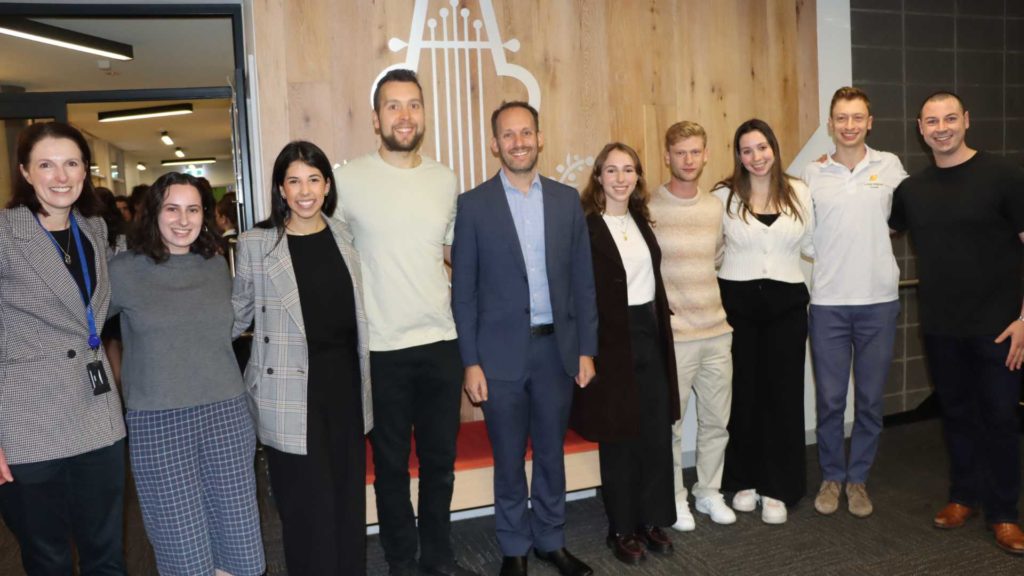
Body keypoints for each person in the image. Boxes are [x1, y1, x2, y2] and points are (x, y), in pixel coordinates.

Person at [334, 69, 474, 576]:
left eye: (413, 104)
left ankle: (438, 555)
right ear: (376, 119)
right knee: (391, 468)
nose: (404, 115)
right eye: (393, 106)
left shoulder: (444, 179)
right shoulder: (346, 181)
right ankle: (401, 559)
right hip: (380, 348)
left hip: (441, 343)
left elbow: (456, 255)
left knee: (440, 465)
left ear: (423, 114)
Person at [451, 101, 598, 576]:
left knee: (551, 453)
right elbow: (464, 293)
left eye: (527, 133)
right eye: (509, 135)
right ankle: (514, 548)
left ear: (539, 137)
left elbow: (583, 281)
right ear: (495, 144)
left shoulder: (564, 199)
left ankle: (551, 541)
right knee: (510, 456)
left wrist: (586, 350)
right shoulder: (473, 205)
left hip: (556, 352)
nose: (519, 142)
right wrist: (470, 362)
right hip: (499, 358)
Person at [108, 172, 265, 576]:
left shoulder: (214, 264)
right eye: (171, 209)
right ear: (153, 214)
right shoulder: (123, 271)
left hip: (227, 416)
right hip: (159, 423)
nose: (183, 219)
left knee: (241, 549)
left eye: (193, 209)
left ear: (205, 214)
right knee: (184, 552)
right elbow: (76, 328)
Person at [888, 91, 1024, 555]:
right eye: (931, 121)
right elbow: (876, 226)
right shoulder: (911, 191)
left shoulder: (1005, 175)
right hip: (941, 325)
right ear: (919, 128)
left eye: (950, 118)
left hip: (1002, 327)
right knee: (958, 416)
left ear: (966, 120)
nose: (941, 127)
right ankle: (964, 496)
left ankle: (1005, 513)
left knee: (1002, 418)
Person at [232, 141, 374, 574]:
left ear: (327, 185)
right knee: (304, 506)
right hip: (288, 390)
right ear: (281, 189)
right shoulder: (257, 243)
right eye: (294, 180)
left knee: (347, 499)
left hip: (345, 385)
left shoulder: (344, 236)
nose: (305, 190)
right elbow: (236, 317)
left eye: (313, 179)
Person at [0, 121, 127, 574]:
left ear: (85, 171)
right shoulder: (4, 233)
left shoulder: (92, 229)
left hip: (98, 418)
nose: (60, 176)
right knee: (48, 558)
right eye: (46, 165)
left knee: (106, 554)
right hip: (28, 428)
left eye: (71, 163)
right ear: (25, 173)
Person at [571, 142, 680, 565]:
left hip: (649, 335)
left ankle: (652, 519)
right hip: (609, 341)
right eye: (611, 170)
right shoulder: (587, 226)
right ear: (598, 176)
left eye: (628, 169)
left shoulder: (641, 220)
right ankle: (620, 527)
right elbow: (579, 293)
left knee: (654, 431)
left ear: (638, 177)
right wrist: (586, 351)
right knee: (619, 438)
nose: (621, 178)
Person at [802, 87, 907, 519]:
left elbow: (900, 221)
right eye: (841, 118)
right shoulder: (812, 173)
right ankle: (832, 476)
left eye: (857, 117)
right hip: (826, 303)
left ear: (869, 122)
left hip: (878, 301)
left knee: (868, 400)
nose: (849, 125)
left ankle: (858, 478)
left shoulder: (891, 166)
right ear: (830, 124)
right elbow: (805, 237)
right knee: (829, 400)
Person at [713, 118, 814, 525]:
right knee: (743, 393)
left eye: (762, 147)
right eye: (747, 150)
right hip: (737, 305)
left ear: (774, 147)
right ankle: (743, 480)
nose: (756, 157)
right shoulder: (723, 196)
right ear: (738, 155)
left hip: (787, 303)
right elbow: (713, 249)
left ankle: (779, 486)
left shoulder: (801, 192)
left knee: (784, 395)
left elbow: (809, 244)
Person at [649, 121, 737, 531]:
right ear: (667, 156)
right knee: (672, 426)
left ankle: (708, 492)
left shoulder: (714, 207)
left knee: (717, 422)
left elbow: (717, 258)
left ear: (705, 155)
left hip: (717, 332)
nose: (688, 160)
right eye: (680, 152)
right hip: (675, 338)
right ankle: (676, 498)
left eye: (695, 152)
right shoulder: (649, 208)